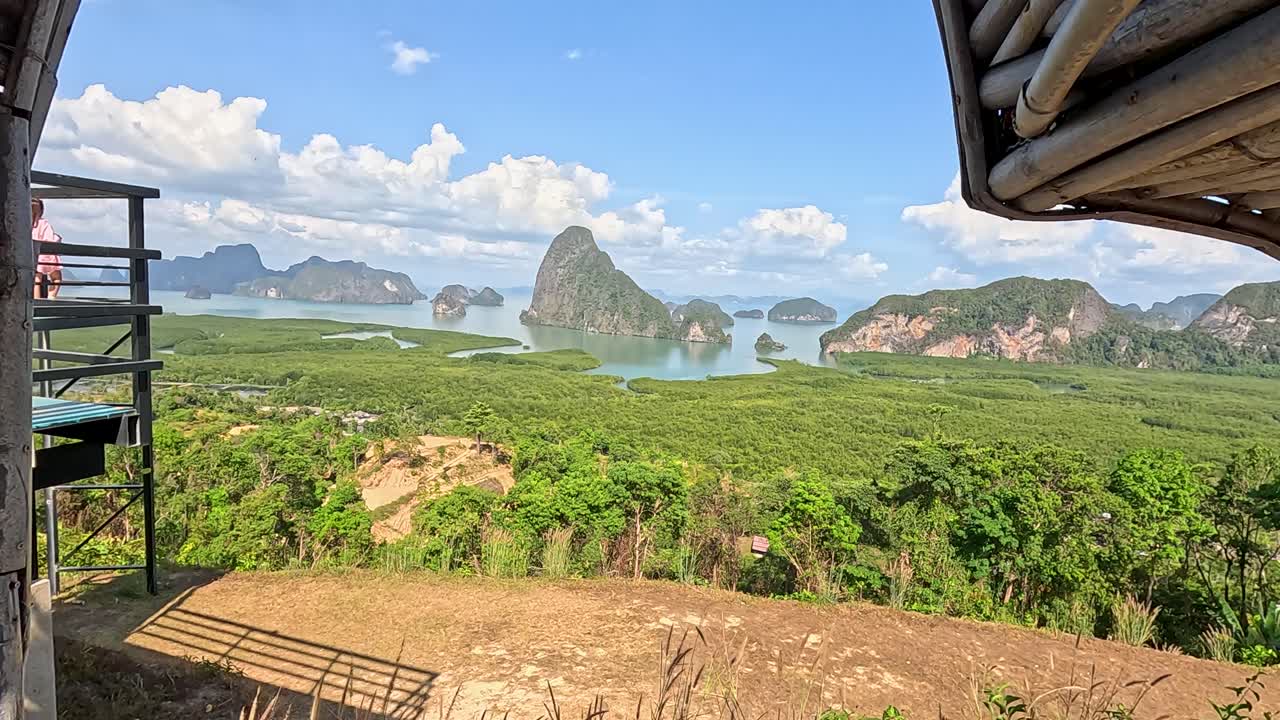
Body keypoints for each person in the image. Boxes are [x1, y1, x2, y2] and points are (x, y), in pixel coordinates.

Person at [32, 198, 61, 299]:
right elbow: (50, 238)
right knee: (56, 277)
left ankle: (36, 300)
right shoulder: (43, 223)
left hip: (31, 253)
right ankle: (51, 297)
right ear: (41, 211)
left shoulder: (25, 223)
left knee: (36, 279)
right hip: (45, 254)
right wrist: (57, 238)